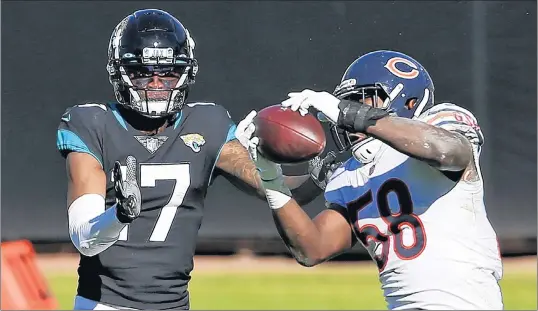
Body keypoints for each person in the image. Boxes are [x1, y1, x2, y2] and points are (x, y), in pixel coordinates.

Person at [56, 9, 331, 310]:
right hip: (104, 305)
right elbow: (84, 238)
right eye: (143, 72)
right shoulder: (92, 123)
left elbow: (272, 186)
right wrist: (120, 214)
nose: (157, 82)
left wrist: (319, 179)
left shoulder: (207, 123)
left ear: (187, 71)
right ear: (119, 71)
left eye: (169, 72)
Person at [240, 50, 504, 310]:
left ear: (409, 102)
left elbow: (448, 152)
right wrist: (271, 177)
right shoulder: (350, 174)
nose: (351, 112)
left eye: (363, 100)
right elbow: (312, 248)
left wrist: (349, 113)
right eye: (349, 102)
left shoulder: (441, 122)